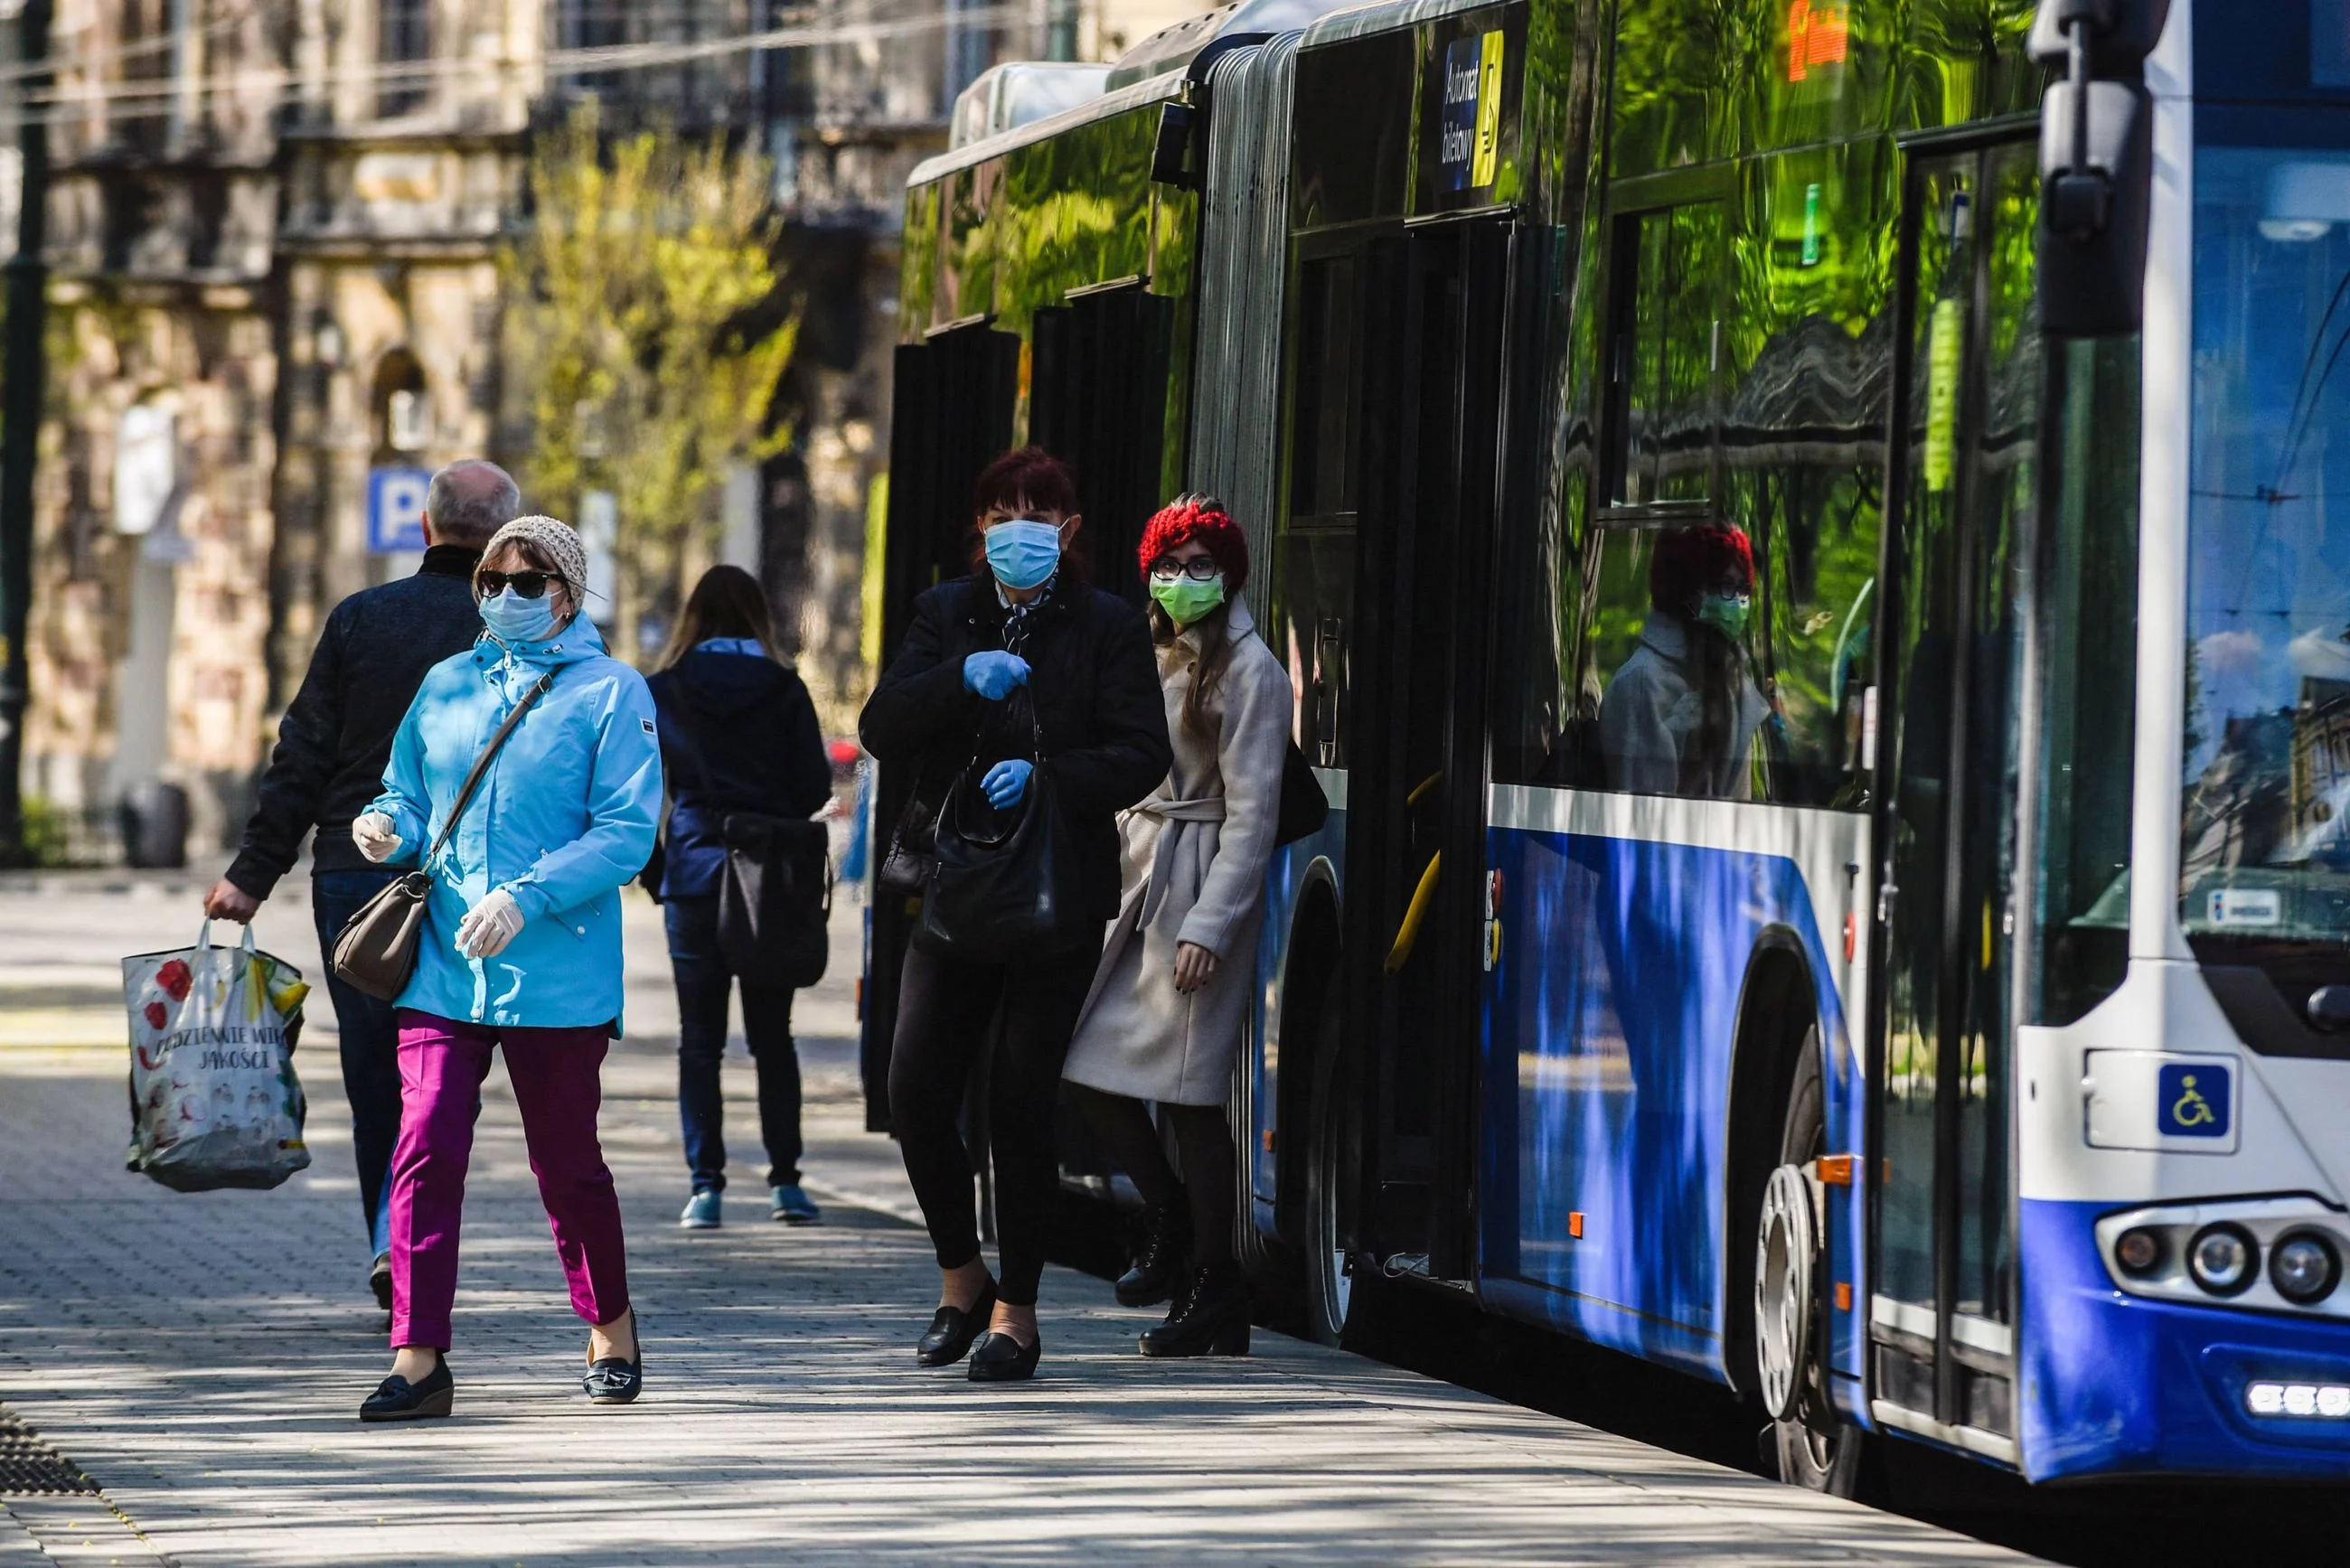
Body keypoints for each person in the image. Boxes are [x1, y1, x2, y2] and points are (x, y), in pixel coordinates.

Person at [859, 446, 1171, 1384]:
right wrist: (960, 678)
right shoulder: (943, 613)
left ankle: (1015, 1314)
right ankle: (961, 1276)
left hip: (1054, 891)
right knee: (915, 1086)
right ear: (979, 527)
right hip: (955, 886)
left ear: (1068, 530)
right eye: (1002, 512)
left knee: (1018, 1103)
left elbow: (1141, 753)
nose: (1018, 529)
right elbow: (881, 726)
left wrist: (1048, 775)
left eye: (1037, 513)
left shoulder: (1106, 625)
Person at [352, 514, 661, 1422]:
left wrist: (529, 894)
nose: (506, 599)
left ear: (570, 592)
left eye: (529, 584)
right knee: (423, 1146)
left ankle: (610, 1320)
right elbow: (406, 791)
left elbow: (626, 831)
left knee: (566, 1163)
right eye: (492, 582)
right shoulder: (445, 682)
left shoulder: (611, 692)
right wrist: (386, 826)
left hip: (554, 972)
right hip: (445, 960)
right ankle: (416, 1354)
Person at [202, 460, 521, 1310]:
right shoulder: (521, 633)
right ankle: (415, 1233)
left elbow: (303, 752)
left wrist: (251, 874)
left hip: (358, 876)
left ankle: (391, 1233)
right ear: (503, 540)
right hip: (478, 884)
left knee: (377, 1065)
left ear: (426, 527)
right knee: (447, 1068)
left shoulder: (361, 619)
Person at [1062, 496, 1289, 1357]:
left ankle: (1214, 1282)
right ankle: (1165, 1220)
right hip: (1133, 872)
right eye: (1169, 563)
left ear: (1228, 573)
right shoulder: (1147, 650)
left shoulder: (1253, 670)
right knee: (1086, 1063)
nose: (1182, 579)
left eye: (1200, 564)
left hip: (1197, 884)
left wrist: (1213, 922)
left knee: (1194, 1097)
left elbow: (1254, 813)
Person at [646, 565, 834, 1231]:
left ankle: (706, 1187)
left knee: (699, 1041)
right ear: (758, 616)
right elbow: (814, 788)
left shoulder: (662, 691)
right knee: (771, 1037)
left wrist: (657, 870)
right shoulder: (785, 689)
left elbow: (636, 799)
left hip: (694, 876)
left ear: (692, 618)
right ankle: (786, 1182)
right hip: (769, 881)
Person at [1597, 522, 1772, 799]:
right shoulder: (1644, 685)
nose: (1738, 601)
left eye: (1743, 588)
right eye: (1725, 585)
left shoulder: (1734, 684)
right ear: (1686, 591)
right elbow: (1645, 825)